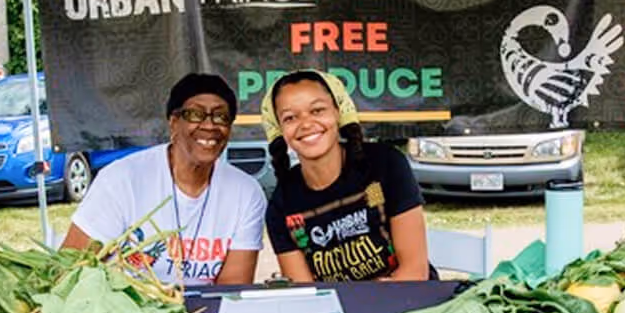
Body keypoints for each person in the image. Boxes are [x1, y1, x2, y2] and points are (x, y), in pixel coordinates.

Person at [62, 73, 266, 286]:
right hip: (123, 312)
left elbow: (231, 291)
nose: (209, 125)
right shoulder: (122, 180)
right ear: (174, 122)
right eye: (195, 114)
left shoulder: (246, 192)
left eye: (221, 116)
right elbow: (71, 270)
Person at [260, 70, 431, 282]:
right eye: (290, 117)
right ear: (280, 128)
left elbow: (414, 273)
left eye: (317, 110)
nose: (305, 123)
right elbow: (305, 295)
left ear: (338, 111)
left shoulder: (386, 164)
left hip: (411, 305)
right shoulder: (280, 206)